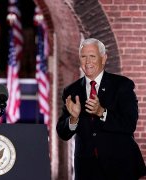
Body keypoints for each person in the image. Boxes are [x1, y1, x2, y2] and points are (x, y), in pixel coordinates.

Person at [56, 38, 146, 180]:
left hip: (120, 166)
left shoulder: (122, 85)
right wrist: (73, 119)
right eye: (83, 56)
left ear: (103, 59)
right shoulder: (71, 91)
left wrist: (102, 112)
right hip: (87, 169)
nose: (87, 62)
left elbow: (129, 124)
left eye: (92, 56)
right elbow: (62, 132)